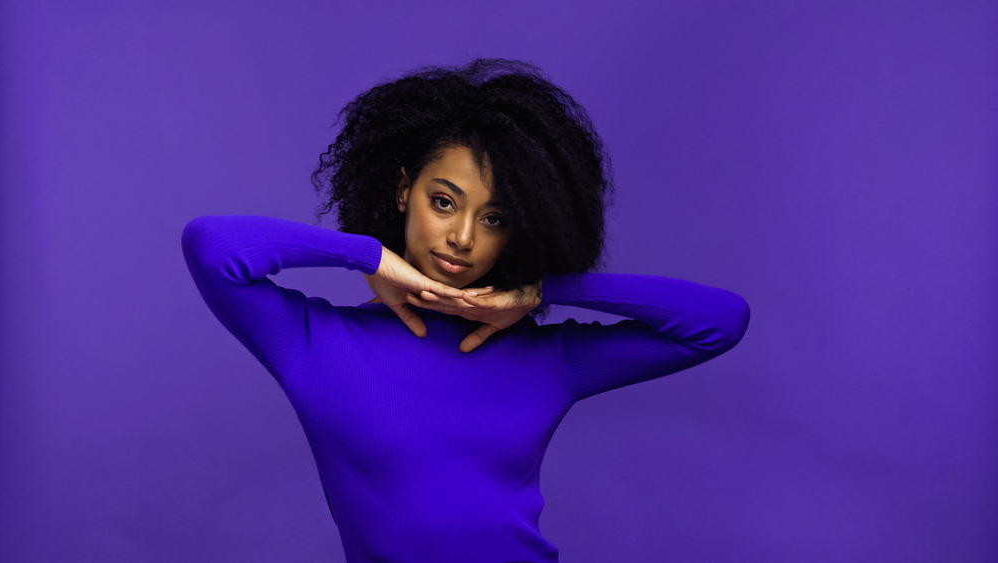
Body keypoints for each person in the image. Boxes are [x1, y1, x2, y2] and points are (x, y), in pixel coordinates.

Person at [181, 57, 750, 563]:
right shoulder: (316, 342)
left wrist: (540, 293)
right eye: (444, 202)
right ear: (405, 190)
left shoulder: (548, 357)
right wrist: (370, 258)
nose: (462, 237)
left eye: (494, 218)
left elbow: (718, 323)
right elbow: (212, 246)